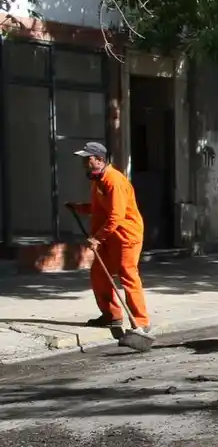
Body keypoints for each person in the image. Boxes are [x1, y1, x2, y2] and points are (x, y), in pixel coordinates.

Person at [65, 141, 150, 336]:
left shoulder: (114, 181)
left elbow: (116, 216)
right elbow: (100, 208)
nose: (84, 164)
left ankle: (141, 322)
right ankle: (112, 316)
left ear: (100, 160)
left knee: (128, 277)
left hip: (125, 236)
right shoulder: (98, 180)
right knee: (99, 275)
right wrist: (80, 207)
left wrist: (97, 238)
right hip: (108, 236)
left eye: (88, 159)